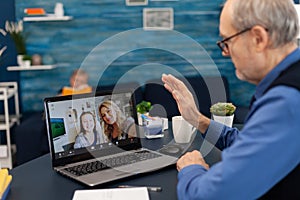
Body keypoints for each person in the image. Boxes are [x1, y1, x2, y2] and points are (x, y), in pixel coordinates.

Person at [162, 0, 300, 199]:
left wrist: (191, 168)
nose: (225, 53)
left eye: (227, 41)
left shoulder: (286, 102)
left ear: (258, 38)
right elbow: (252, 145)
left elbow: (209, 196)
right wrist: (198, 120)